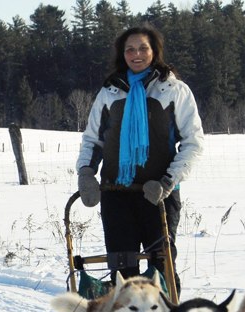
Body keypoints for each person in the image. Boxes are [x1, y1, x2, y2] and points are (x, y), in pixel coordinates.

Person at [76, 24, 204, 293]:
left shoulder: (173, 90)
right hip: (116, 194)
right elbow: (93, 140)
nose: (136, 54)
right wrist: (86, 173)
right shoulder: (110, 92)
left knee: (161, 268)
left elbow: (193, 143)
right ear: (122, 54)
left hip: (158, 195)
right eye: (130, 49)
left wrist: (168, 182)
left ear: (154, 51)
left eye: (143, 48)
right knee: (123, 272)